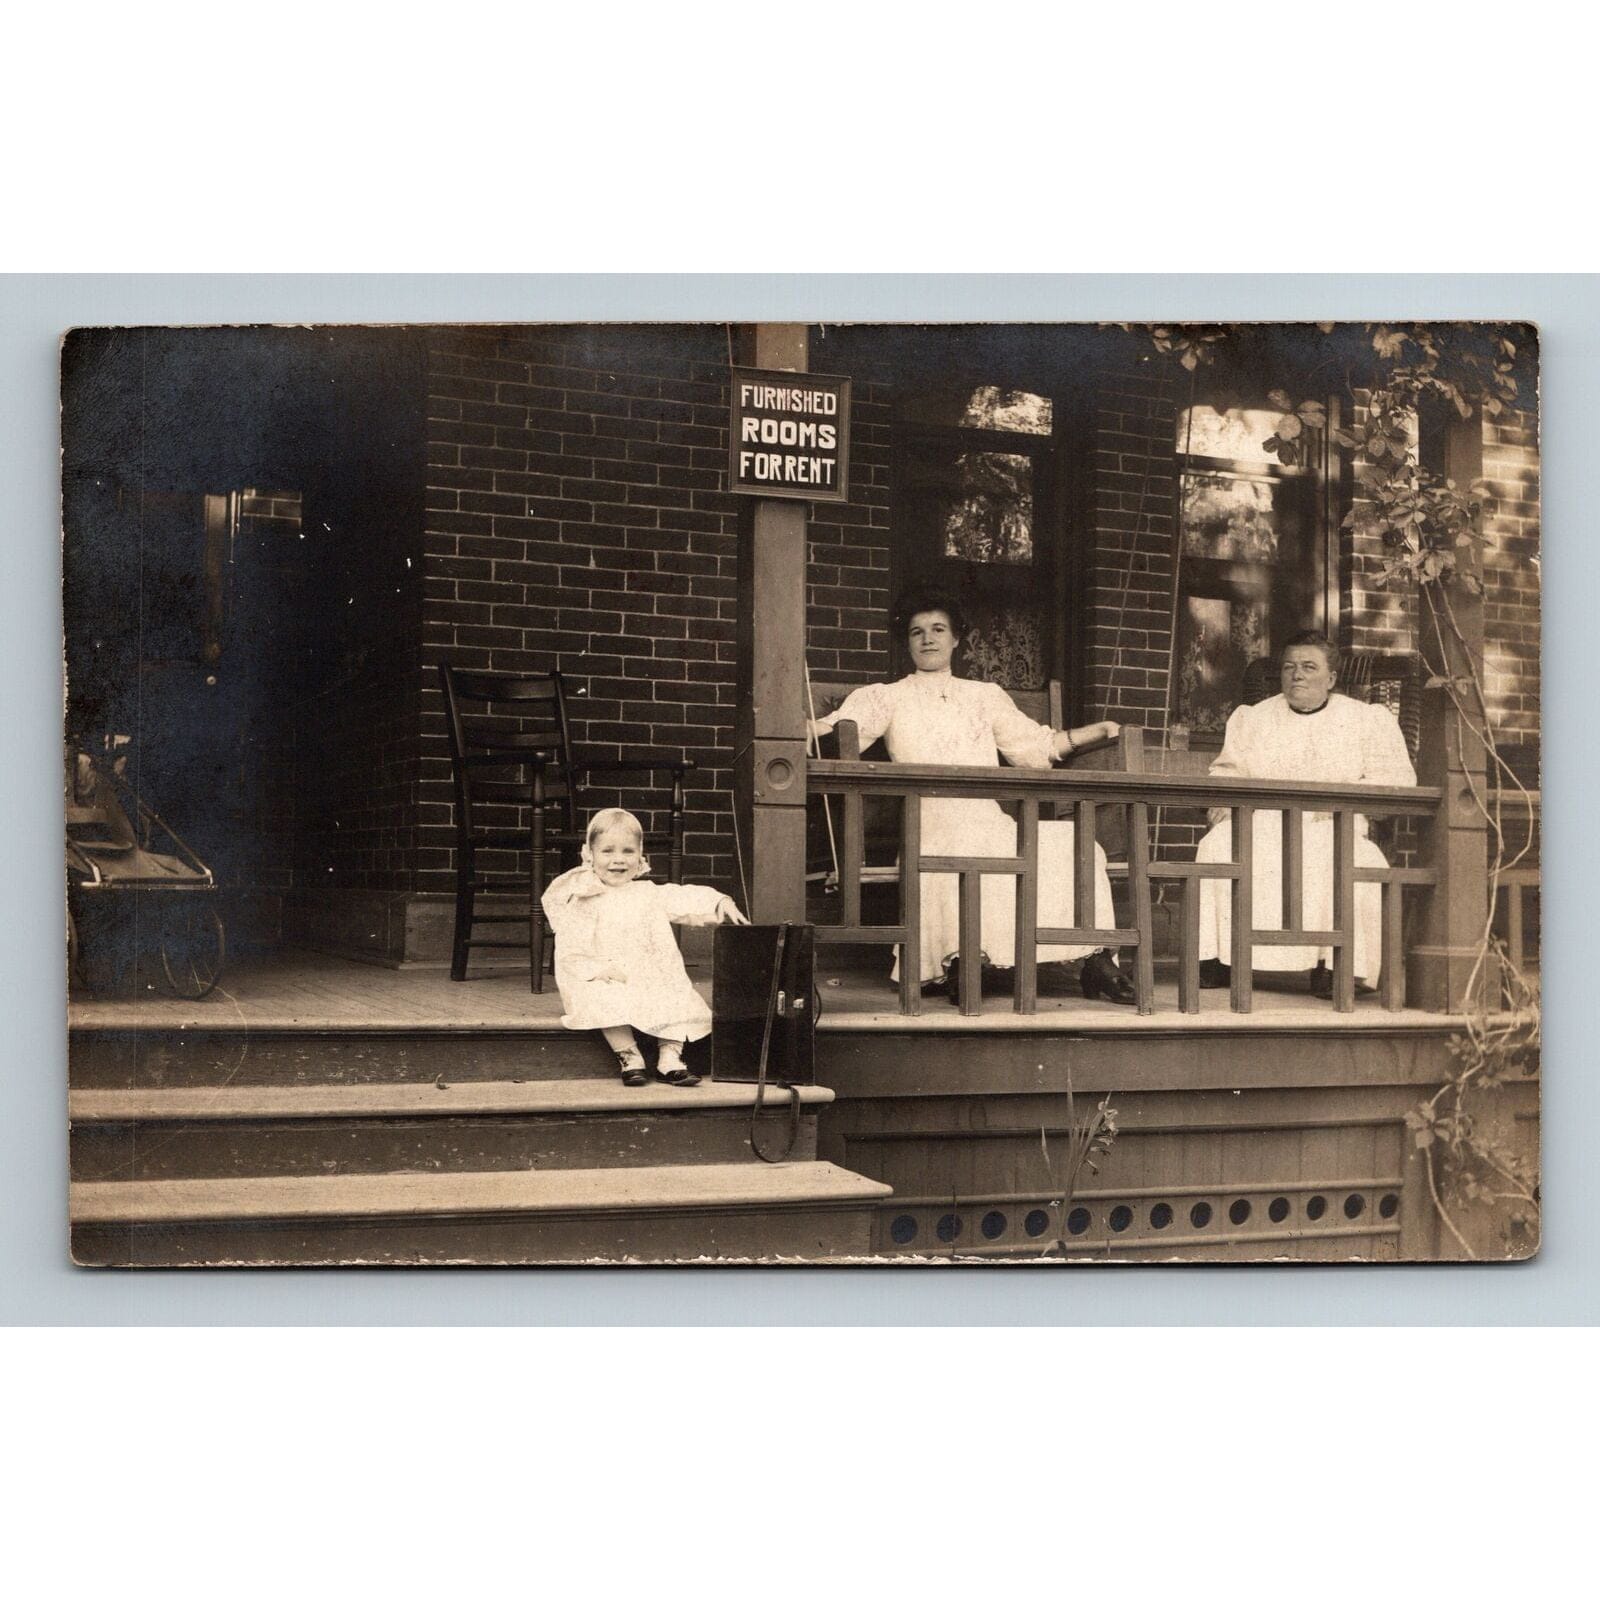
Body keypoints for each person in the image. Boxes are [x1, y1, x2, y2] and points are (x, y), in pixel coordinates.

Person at [809, 585, 1135, 1005]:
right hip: (929, 815)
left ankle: (1096, 959)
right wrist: (800, 728)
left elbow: (1035, 751)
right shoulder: (884, 697)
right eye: (916, 631)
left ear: (956, 638)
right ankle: (963, 960)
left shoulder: (986, 696)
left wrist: (1096, 731)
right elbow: (837, 730)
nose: (928, 638)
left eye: (938, 629)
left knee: (1072, 843)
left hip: (987, 813)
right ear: (906, 641)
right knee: (956, 847)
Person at [1195, 632, 1417, 996]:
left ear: (1331, 678)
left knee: (1347, 855)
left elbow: (1396, 780)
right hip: (1262, 821)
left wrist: (1342, 804)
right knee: (1217, 844)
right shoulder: (1254, 717)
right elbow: (1227, 771)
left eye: (1309, 667)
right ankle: (1220, 959)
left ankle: (1337, 965)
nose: (1296, 675)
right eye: (1289, 667)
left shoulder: (1366, 720)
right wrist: (1222, 797)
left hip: (1332, 821)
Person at [541, 808, 749, 1086]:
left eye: (628, 851)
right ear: (589, 855)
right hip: (605, 974)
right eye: (607, 851)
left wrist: (719, 902)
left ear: (640, 856)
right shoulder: (584, 898)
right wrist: (598, 970)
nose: (618, 860)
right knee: (601, 996)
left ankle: (670, 1057)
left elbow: (683, 897)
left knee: (676, 992)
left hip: (645, 974)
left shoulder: (647, 892)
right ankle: (629, 1056)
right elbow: (571, 946)